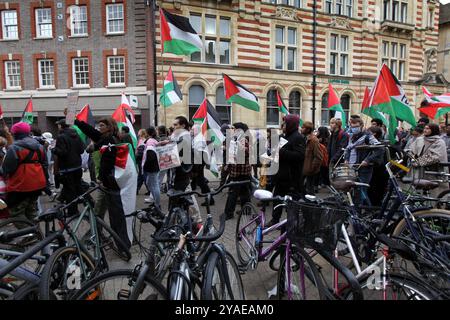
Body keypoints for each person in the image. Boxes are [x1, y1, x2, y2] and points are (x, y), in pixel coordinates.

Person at [74, 117, 132, 250]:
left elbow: (109, 162)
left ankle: (121, 244)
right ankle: (99, 236)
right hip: (111, 183)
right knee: (106, 212)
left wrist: (101, 178)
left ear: (109, 127)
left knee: (114, 215)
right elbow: (91, 132)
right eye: (99, 126)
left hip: (110, 184)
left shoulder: (109, 140)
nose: (99, 128)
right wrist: (77, 121)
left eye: (102, 126)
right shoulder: (108, 138)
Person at [2, 122, 48, 222]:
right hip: (38, 184)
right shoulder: (40, 147)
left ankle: (31, 235)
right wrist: (46, 183)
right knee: (31, 213)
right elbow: (45, 165)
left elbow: (7, 168)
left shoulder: (14, 148)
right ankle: (36, 235)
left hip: (21, 185)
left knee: (15, 214)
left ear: (15, 134)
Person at [267, 115, 305, 227]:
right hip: (281, 176)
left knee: (292, 203)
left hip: (292, 178)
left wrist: (281, 152)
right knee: (277, 199)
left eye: (284, 124)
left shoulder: (298, 137)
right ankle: (275, 220)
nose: (282, 126)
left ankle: (291, 225)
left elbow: (300, 155)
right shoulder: (283, 137)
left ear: (291, 124)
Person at [344, 118, 383, 205]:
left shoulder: (368, 136)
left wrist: (367, 160)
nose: (354, 128)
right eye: (352, 126)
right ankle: (362, 210)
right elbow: (348, 149)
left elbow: (380, 149)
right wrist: (346, 158)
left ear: (361, 126)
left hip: (364, 169)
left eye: (356, 126)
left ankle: (363, 211)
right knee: (353, 191)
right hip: (352, 167)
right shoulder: (351, 136)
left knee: (361, 190)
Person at [53, 119, 85, 216]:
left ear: (61, 126)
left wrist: (54, 149)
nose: (57, 127)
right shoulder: (76, 135)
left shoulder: (61, 137)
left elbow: (62, 152)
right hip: (77, 167)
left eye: (58, 125)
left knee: (70, 191)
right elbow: (81, 150)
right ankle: (90, 204)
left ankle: (73, 212)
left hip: (67, 168)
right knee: (77, 187)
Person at [224, 122, 252, 221]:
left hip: (240, 171)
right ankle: (247, 210)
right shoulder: (237, 139)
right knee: (244, 192)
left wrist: (241, 150)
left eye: (233, 128)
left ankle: (228, 213)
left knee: (233, 193)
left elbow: (247, 152)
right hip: (241, 171)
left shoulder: (242, 139)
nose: (232, 130)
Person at [368, 126, 389, 206]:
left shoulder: (379, 145)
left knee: (377, 191)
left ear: (374, 134)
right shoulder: (369, 142)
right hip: (374, 171)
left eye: (369, 132)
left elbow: (379, 160)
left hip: (379, 171)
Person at [301, 121, 323, 195]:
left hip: (309, 170)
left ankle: (312, 205)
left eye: (303, 127)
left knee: (310, 190)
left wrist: (312, 169)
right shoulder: (305, 138)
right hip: (305, 169)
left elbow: (319, 157)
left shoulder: (313, 140)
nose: (301, 129)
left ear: (308, 129)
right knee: (304, 188)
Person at [142, 126, 160, 208]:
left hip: (152, 167)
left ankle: (157, 204)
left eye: (145, 132)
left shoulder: (150, 142)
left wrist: (146, 166)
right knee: (149, 183)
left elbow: (151, 156)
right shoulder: (152, 140)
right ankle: (155, 201)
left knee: (154, 185)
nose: (144, 134)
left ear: (148, 133)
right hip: (154, 166)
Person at [136, 129, 150, 195]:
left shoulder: (142, 140)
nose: (138, 133)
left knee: (143, 174)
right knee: (142, 174)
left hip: (141, 159)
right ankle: (148, 189)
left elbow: (139, 150)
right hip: (141, 159)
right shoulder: (142, 140)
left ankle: (149, 189)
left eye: (139, 132)